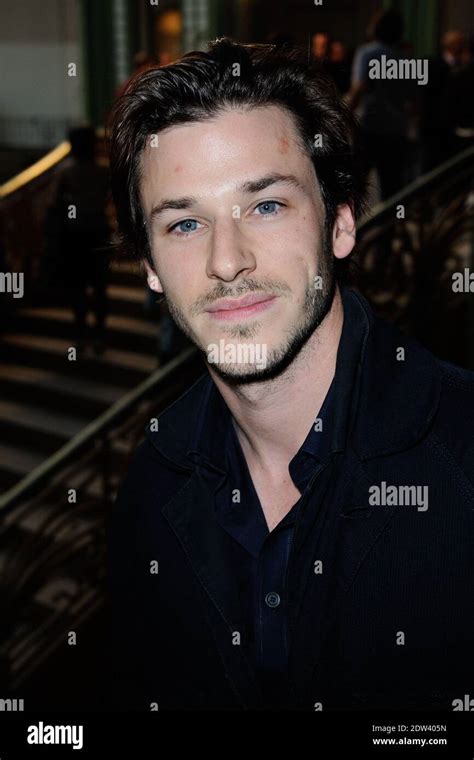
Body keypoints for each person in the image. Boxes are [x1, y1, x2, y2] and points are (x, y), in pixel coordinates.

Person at [107, 37, 474, 711]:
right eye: (185, 223)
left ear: (339, 224)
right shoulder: (151, 485)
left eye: (267, 206)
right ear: (151, 269)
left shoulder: (461, 453)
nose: (228, 260)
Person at [51, 126, 111, 352]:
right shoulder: (103, 172)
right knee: (99, 287)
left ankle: (81, 335)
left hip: (75, 236)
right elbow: (108, 199)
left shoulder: (66, 171)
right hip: (98, 233)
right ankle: (99, 336)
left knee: (78, 289)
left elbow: (54, 205)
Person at [348, 9, 414, 198]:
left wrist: (345, 115)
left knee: (356, 184)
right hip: (396, 128)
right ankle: (393, 225)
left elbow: (359, 87)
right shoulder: (405, 58)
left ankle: (353, 226)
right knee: (392, 185)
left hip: (369, 124)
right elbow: (413, 99)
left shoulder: (367, 53)